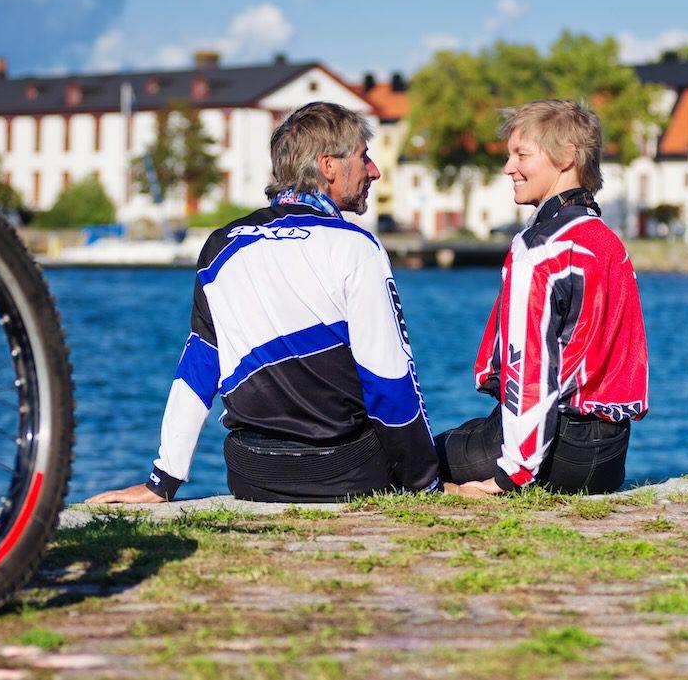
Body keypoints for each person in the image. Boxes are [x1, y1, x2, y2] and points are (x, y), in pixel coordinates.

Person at [87, 102, 440, 504]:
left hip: (252, 474)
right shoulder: (356, 246)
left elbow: (199, 366)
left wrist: (162, 481)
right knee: (461, 447)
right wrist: (426, 483)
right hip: (343, 473)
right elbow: (390, 381)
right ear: (329, 166)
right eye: (364, 157)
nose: (373, 170)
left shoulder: (222, 245)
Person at [438, 99, 648, 498]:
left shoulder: (539, 248)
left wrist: (510, 476)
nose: (508, 167)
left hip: (554, 452)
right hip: (608, 457)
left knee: (412, 460)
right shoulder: (608, 242)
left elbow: (529, 366)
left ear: (566, 157)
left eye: (522, 155)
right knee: (465, 434)